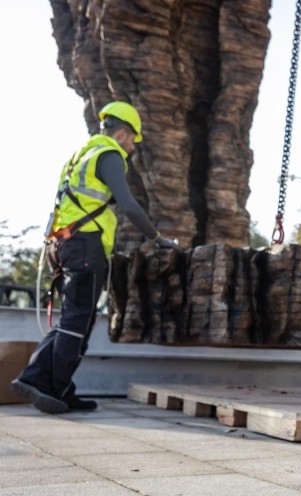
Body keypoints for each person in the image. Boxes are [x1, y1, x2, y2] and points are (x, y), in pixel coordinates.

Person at [11, 101, 180, 414]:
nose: (131, 147)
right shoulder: (109, 155)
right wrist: (158, 239)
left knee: (75, 319)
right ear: (123, 132)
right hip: (86, 246)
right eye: (132, 139)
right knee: (77, 321)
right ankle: (45, 383)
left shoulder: (81, 156)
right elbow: (129, 206)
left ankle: (53, 384)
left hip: (64, 245)